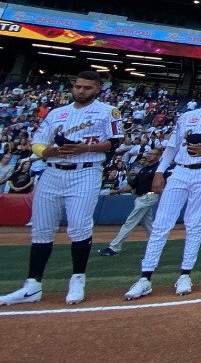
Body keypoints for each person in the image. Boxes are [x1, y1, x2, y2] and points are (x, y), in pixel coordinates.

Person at [1, 70, 122, 306]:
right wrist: (45, 152)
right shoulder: (58, 113)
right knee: (42, 229)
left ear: (98, 88)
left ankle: (77, 280)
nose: (81, 90)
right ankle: (32, 285)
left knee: (79, 227)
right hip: (53, 170)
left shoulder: (108, 111)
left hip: (86, 170)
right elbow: (38, 141)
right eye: (78, 86)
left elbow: (114, 142)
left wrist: (86, 149)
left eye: (87, 87)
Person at [124, 85, 201, 300]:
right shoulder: (187, 116)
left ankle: (185, 274)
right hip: (180, 170)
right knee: (161, 224)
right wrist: (159, 172)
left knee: (195, 223)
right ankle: (145, 277)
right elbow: (172, 146)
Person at [98, 149, 162, 256]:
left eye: (153, 154)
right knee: (148, 225)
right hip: (141, 197)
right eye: (149, 153)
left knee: (130, 222)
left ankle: (114, 247)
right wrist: (117, 191)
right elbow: (132, 185)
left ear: (158, 156)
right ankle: (157, 245)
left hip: (149, 197)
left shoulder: (159, 169)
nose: (150, 155)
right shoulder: (144, 169)